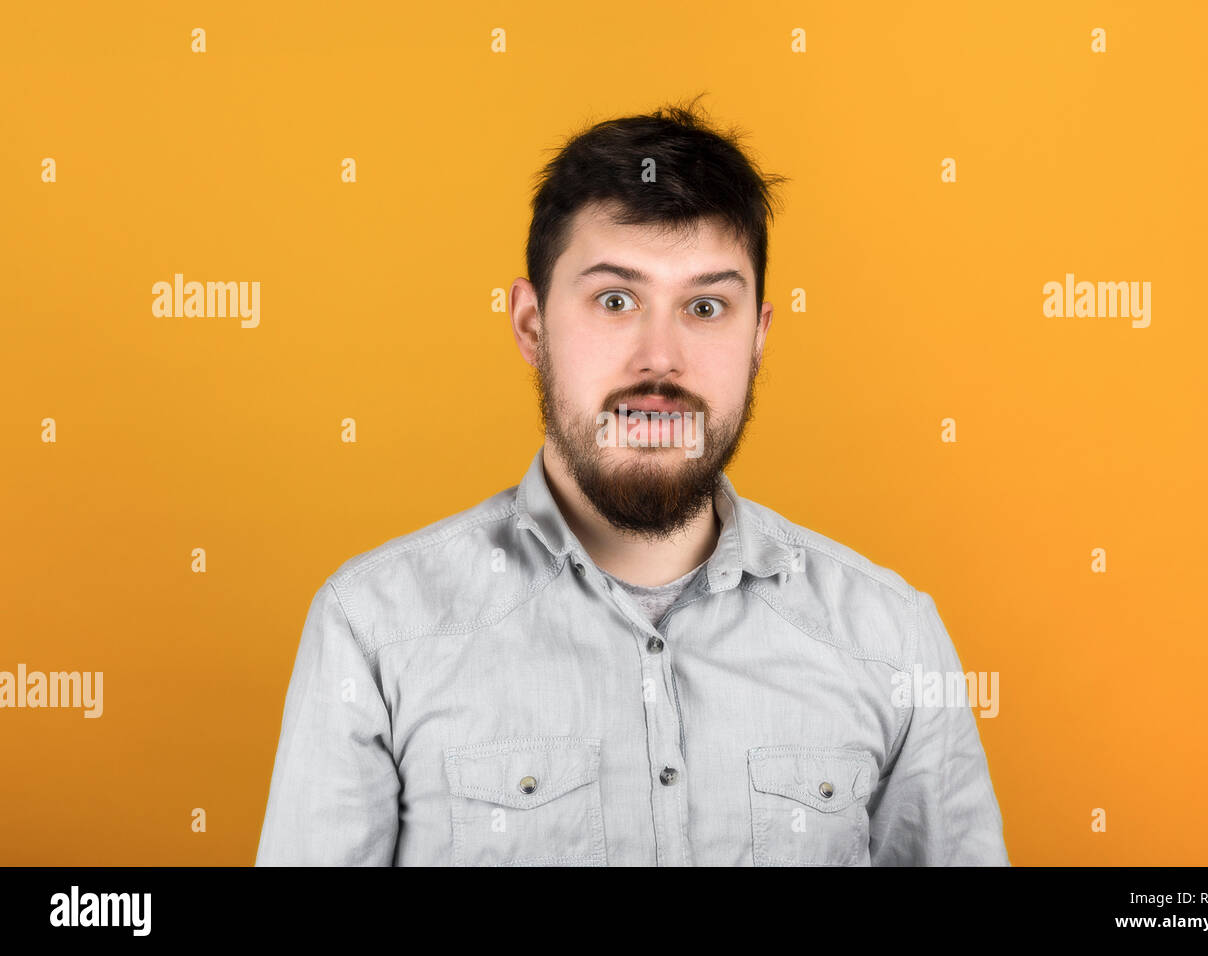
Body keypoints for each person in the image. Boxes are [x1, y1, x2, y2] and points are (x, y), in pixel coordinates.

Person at [255, 97, 1010, 866]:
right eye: (616, 300)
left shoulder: (894, 641)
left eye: (706, 306)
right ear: (531, 324)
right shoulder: (375, 631)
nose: (661, 359)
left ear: (759, 338)